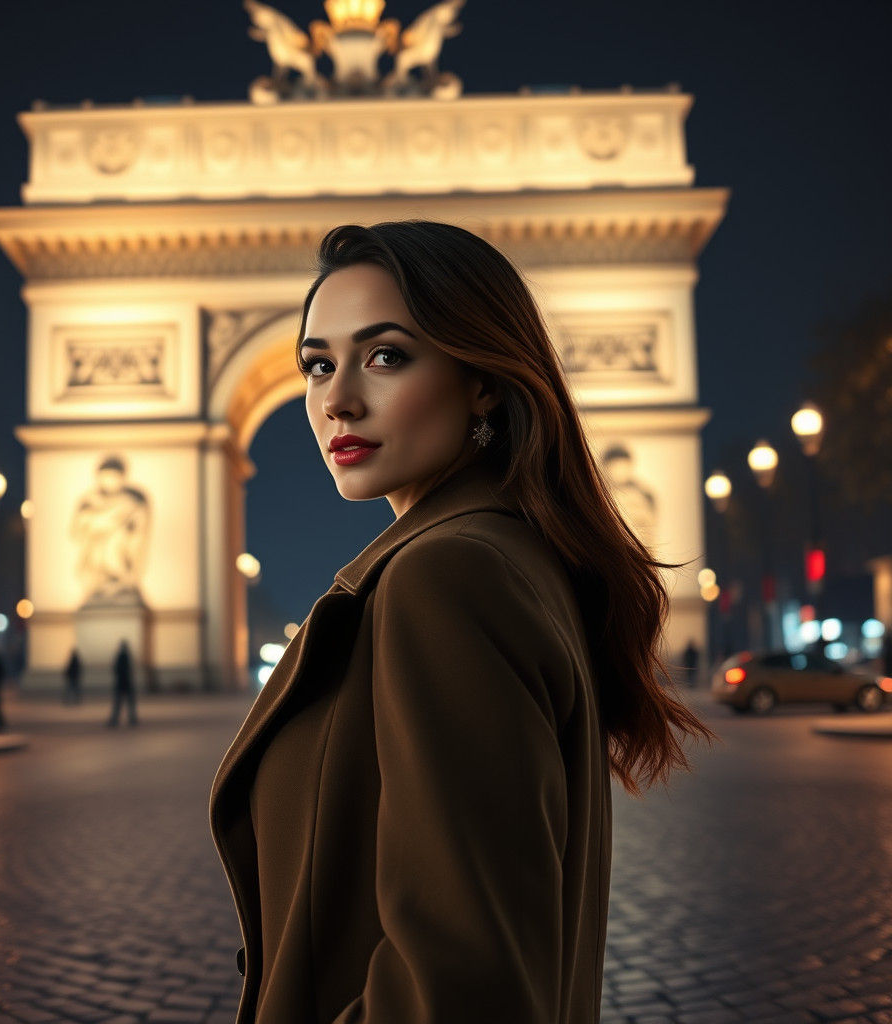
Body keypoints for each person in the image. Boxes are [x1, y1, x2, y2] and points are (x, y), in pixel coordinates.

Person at [209, 221, 718, 1024]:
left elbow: (463, 985)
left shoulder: (446, 577)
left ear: (482, 378)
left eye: (385, 356)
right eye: (316, 364)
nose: (337, 398)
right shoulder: (517, 558)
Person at [107, 639, 137, 727]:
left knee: (118, 703)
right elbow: (129, 670)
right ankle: (132, 719)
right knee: (129, 703)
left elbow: (116, 669)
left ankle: (115, 720)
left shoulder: (120, 656)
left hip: (121, 683)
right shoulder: (127, 656)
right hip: (126, 682)